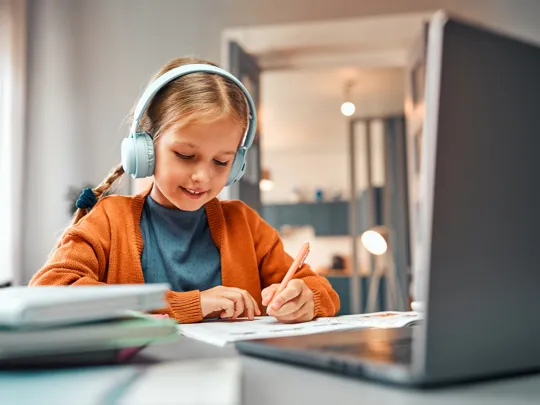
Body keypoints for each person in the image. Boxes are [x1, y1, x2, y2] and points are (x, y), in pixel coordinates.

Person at [29, 57, 340, 324]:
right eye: (186, 156)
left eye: (221, 161)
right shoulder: (109, 220)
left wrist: (306, 298)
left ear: (237, 164)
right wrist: (188, 305)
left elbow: (323, 291)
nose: (202, 177)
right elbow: (48, 292)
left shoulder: (244, 225)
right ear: (145, 148)